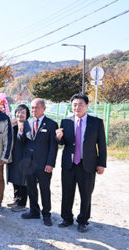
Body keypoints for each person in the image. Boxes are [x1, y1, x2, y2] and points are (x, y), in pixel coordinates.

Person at [56, 93, 107, 233]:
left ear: (87, 106)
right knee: (67, 192)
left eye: (80, 104)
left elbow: (101, 145)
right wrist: (59, 138)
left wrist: (101, 163)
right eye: (74, 105)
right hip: (69, 163)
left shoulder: (96, 122)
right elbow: (64, 142)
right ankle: (66, 218)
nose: (77, 107)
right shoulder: (66, 121)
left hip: (88, 164)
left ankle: (83, 221)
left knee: (86, 194)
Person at [19, 98, 58, 227]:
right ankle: (34, 211)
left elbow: (53, 146)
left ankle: (46, 214)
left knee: (44, 189)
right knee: (31, 188)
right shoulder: (27, 123)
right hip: (29, 163)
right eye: (32, 108)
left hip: (44, 163)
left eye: (36, 107)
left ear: (44, 108)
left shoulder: (51, 124)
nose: (33, 110)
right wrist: (20, 132)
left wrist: (50, 163)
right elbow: (23, 141)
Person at [6, 104, 30, 212]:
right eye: (18, 112)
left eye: (23, 112)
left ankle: (22, 203)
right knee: (14, 178)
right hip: (14, 156)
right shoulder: (13, 126)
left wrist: (21, 130)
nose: (20, 114)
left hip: (24, 157)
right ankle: (16, 199)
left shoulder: (29, 125)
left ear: (27, 115)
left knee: (23, 180)